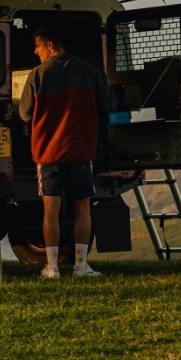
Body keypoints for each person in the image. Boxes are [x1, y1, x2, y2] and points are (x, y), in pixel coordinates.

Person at [19, 25, 116, 278]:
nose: (35, 51)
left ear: (51, 45)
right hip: (80, 150)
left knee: (50, 210)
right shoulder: (88, 70)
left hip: (48, 153)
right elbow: (108, 103)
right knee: (82, 208)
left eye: (38, 45)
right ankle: (80, 265)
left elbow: (25, 113)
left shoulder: (37, 74)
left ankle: (51, 267)